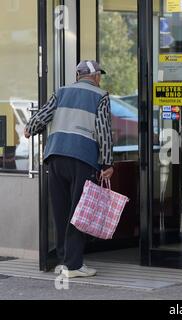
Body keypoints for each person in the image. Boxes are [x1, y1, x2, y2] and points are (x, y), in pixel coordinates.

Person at [25, 60, 114, 278]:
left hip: (55, 156)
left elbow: (44, 115)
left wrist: (30, 128)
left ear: (78, 75)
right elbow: (103, 130)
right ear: (94, 76)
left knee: (61, 211)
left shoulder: (61, 91)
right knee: (79, 212)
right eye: (99, 74)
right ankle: (73, 266)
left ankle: (66, 261)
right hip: (82, 158)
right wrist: (107, 162)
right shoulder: (100, 96)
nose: (100, 78)